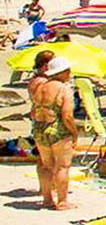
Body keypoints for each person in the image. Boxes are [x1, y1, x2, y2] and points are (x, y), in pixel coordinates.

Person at [29, 56, 78, 210]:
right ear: (62, 72)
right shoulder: (64, 89)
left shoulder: (40, 87)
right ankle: (62, 201)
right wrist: (74, 134)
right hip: (57, 130)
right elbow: (67, 116)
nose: (70, 73)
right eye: (68, 70)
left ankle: (47, 199)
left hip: (39, 129)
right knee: (62, 166)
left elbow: (32, 112)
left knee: (46, 166)